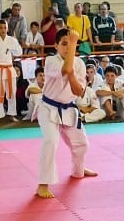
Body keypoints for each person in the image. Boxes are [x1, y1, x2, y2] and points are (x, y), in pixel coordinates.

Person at [35, 28, 97, 199]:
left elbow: (78, 91)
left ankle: (79, 170)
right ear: (55, 45)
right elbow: (65, 68)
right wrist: (74, 42)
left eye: (70, 44)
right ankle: (43, 184)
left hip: (68, 108)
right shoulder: (50, 60)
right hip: (48, 108)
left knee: (82, 143)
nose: (68, 48)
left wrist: (71, 74)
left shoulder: (80, 64)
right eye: (64, 44)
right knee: (51, 141)